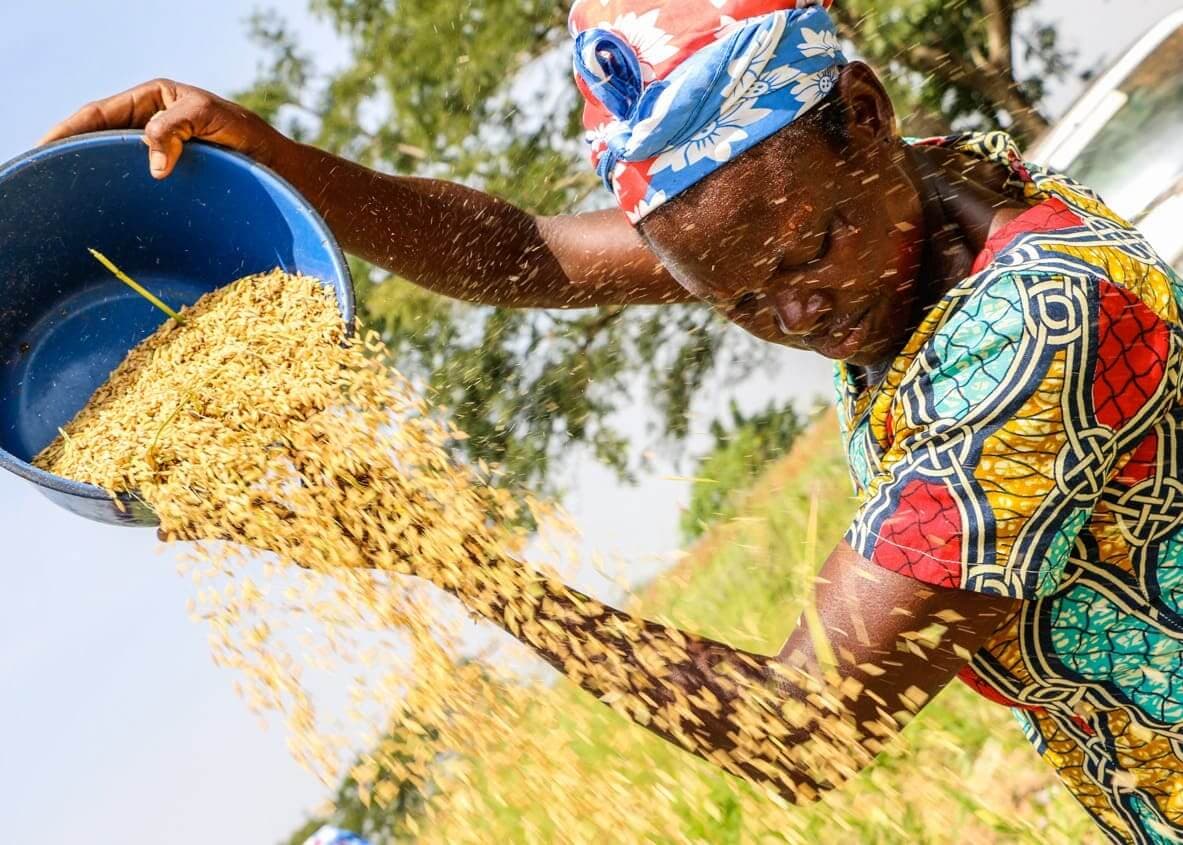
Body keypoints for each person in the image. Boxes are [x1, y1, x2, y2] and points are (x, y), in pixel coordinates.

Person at [42, 1, 1183, 841]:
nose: (797, 314)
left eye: (806, 255)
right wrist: (283, 162)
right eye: (735, 298)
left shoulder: (1035, 333)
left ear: (866, 114)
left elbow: (799, 727)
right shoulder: (916, 189)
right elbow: (529, 254)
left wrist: (441, 556)